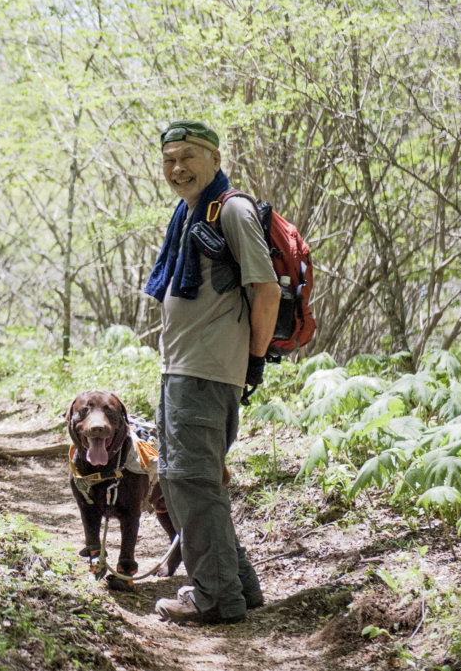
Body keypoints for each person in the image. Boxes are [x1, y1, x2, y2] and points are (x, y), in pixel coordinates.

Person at [145, 119, 280, 625]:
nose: (178, 168)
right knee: (192, 482)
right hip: (183, 369)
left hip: (205, 372)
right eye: (169, 160)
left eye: (189, 157)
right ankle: (238, 585)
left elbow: (265, 289)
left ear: (215, 161)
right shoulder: (187, 213)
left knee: (189, 482)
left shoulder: (234, 210)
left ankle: (215, 597)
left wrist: (254, 362)